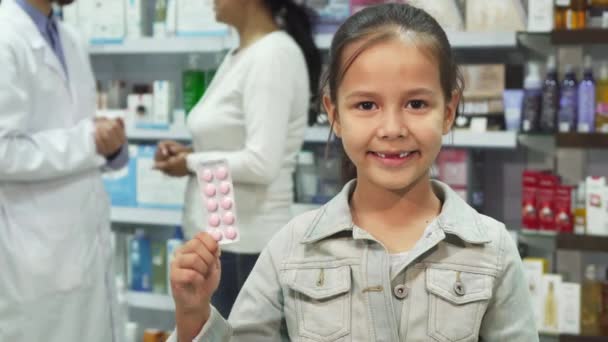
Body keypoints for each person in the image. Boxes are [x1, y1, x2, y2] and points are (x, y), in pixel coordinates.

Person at [167, 3, 540, 342]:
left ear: (448, 110)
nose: (392, 128)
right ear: (334, 113)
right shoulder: (291, 249)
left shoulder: (491, 250)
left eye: (416, 103)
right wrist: (193, 316)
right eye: (366, 104)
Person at [153, 0, 321, 318]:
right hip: (221, 240)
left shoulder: (273, 55)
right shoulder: (241, 55)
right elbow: (232, 147)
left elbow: (261, 163)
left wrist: (190, 163)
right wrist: (190, 155)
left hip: (246, 247)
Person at [0, 0, 128, 340]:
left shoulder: (70, 38)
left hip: (83, 246)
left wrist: (109, 146)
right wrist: (88, 142)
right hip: (32, 258)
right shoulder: (5, 35)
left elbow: (72, 129)